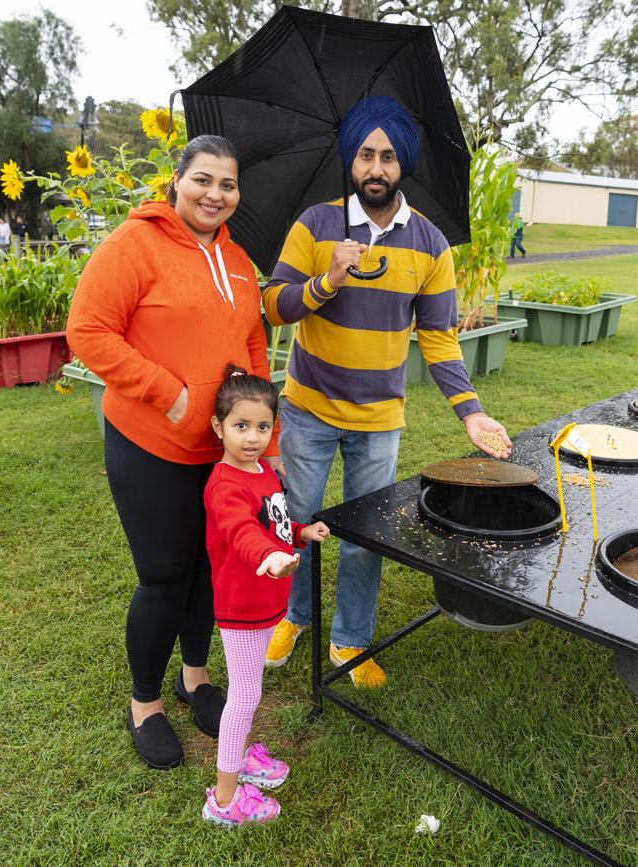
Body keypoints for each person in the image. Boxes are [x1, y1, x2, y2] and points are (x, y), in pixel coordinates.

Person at [262, 96, 512, 687]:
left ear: (404, 166)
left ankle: (349, 639)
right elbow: (273, 306)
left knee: (366, 533)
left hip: (379, 419)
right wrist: (327, 281)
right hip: (308, 410)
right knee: (296, 517)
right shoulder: (315, 224)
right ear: (352, 159)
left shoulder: (430, 245)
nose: (376, 168)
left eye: (389, 157)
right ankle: (291, 615)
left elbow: (440, 338)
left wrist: (470, 414)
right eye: (367, 155)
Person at [67, 135, 281, 770]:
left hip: (219, 455)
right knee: (165, 576)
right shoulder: (134, 245)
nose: (216, 194)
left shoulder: (241, 261)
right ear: (176, 182)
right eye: (203, 180)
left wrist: (255, 424)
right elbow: (88, 331)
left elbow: (249, 342)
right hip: (150, 443)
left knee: (210, 570)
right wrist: (172, 395)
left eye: (229, 184)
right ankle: (145, 705)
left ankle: (195, 679)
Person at [202, 366, 329, 825]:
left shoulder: (260, 472)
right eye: (240, 426)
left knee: (251, 688)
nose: (252, 437)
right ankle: (223, 800)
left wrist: (297, 533)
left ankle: (244, 755)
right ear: (219, 427)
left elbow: (270, 523)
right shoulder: (224, 484)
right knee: (244, 695)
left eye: (262, 426)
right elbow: (242, 532)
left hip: (267, 599)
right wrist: (270, 557)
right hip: (243, 607)